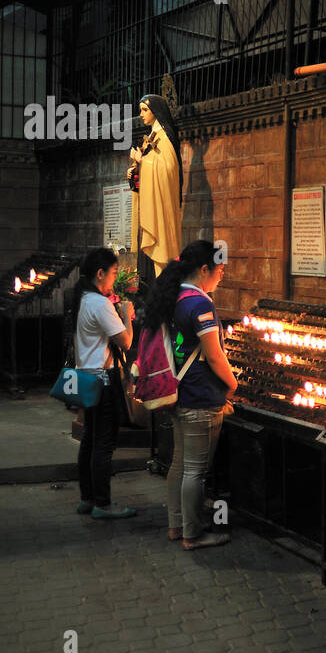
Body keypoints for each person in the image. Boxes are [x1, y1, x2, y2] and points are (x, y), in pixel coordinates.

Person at [141, 240, 235, 550]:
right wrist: (232, 384)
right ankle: (193, 535)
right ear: (204, 269)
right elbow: (214, 356)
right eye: (219, 270)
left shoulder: (174, 296)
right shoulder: (200, 304)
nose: (221, 276)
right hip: (200, 394)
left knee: (180, 464)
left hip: (178, 392)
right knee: (196, 469)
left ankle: (177, 526)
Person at [71, 246, 137, 519]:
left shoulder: (82, 298)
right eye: (113, 272)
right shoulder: (99, 303)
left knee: (89, 437)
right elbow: (126, 341)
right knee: (104, 443)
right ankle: (103, 503)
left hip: (85, 374)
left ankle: (87, 498)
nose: (114, 278)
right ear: (100, 274)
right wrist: (126, 313)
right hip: (103, 376)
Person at [128, 94, 183, 298]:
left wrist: (143, 162)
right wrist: (134, 171)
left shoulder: (165, 136)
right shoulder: (152, 137)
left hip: (161, 212)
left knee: (161, 261)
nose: (141, 114)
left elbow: (168, 168)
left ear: (156, 111)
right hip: (149, 210)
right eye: (140, 110)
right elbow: (148, 172)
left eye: (145, 110)